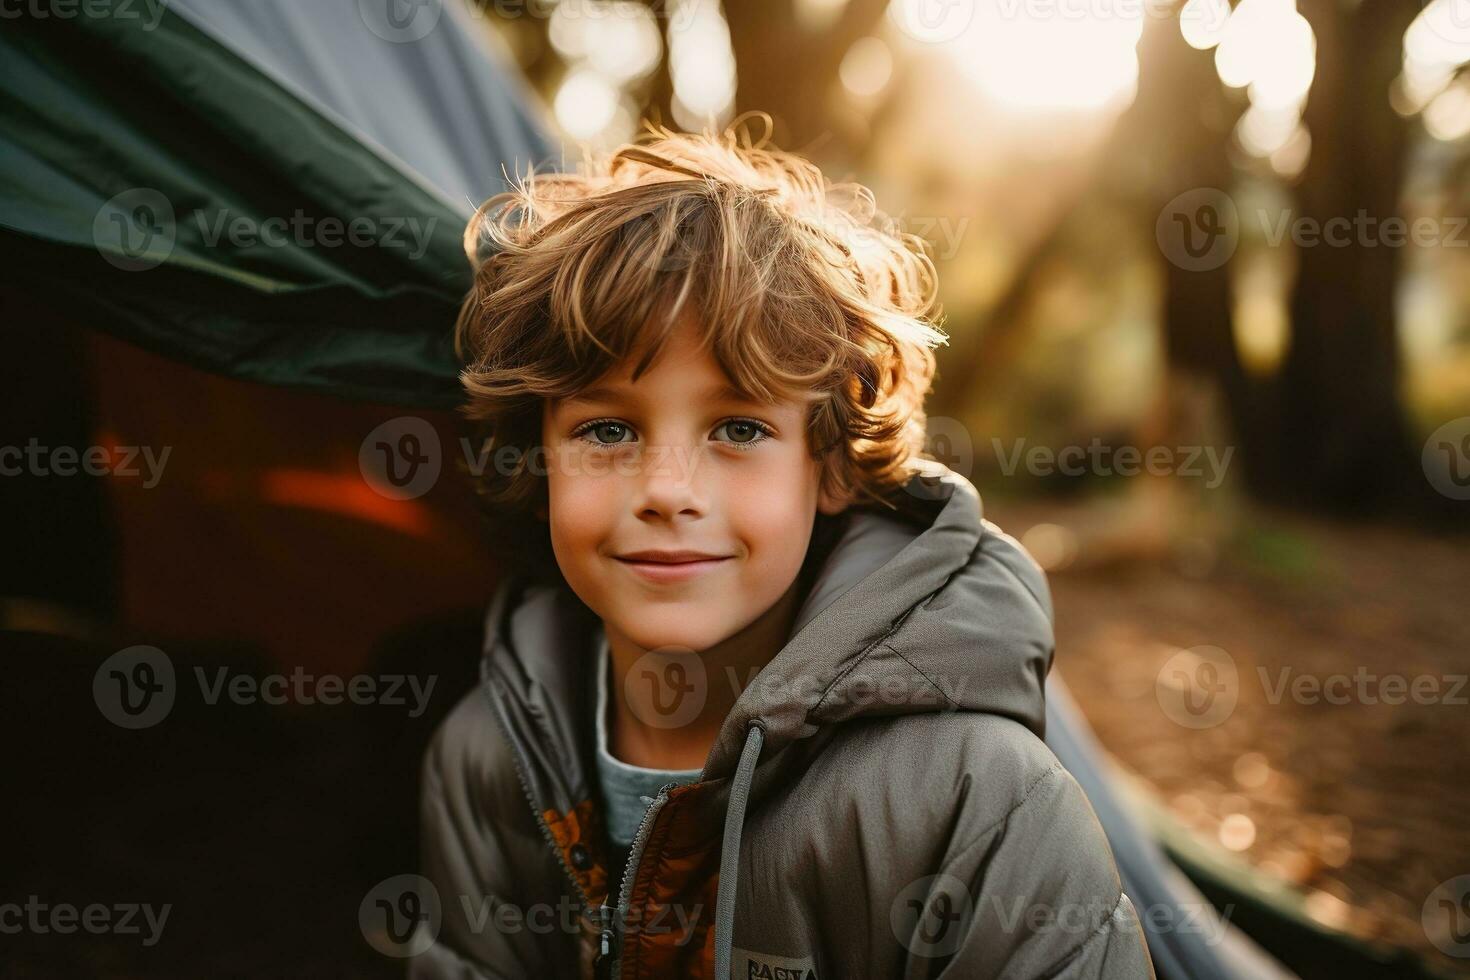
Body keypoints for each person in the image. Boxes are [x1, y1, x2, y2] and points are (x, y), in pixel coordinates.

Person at [412, 121, 1155, 979]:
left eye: (738, 427)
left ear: (830, 464)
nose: (668, 488)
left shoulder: (975, 799)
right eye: (607, 428)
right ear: (540, 463)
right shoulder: (485, 758)